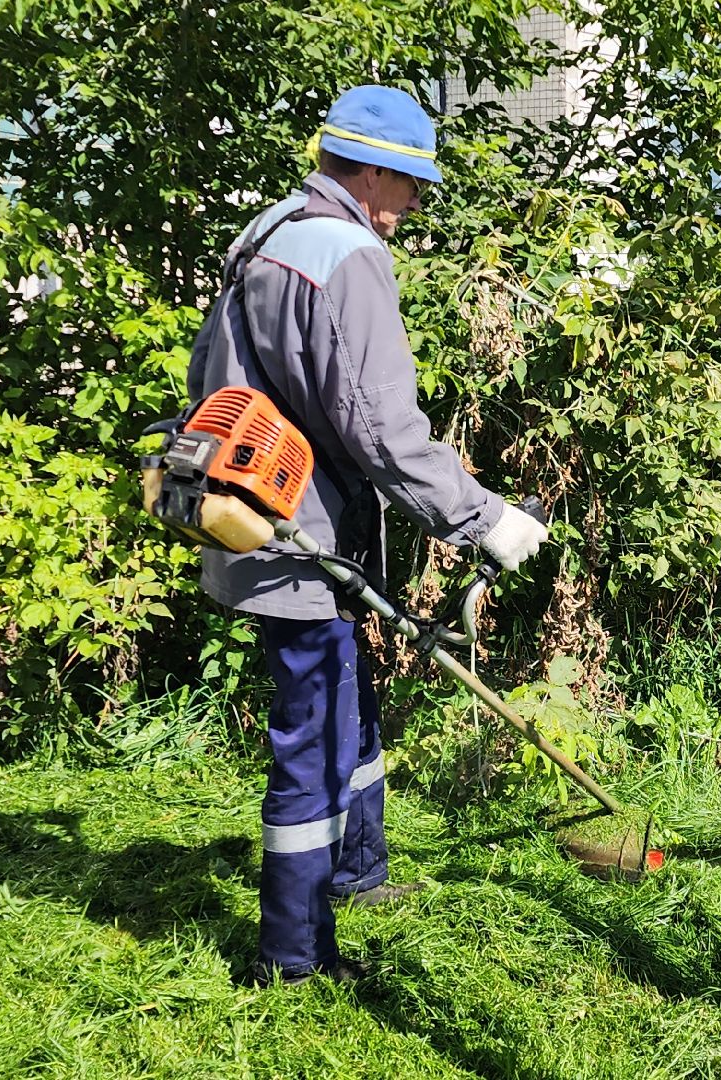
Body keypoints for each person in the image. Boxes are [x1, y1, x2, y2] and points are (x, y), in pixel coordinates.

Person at [183, 84, 549, 986]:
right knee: (312, 736)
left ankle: (359, 871)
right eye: (414, 185)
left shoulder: (266, 232)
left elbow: (211, 379)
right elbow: (379, 426)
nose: (416, 205)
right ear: (378, 173)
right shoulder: (347, 256)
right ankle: (294, 956)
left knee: (350, 698)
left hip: (264, 521)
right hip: (299, 540)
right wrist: (484, 519)